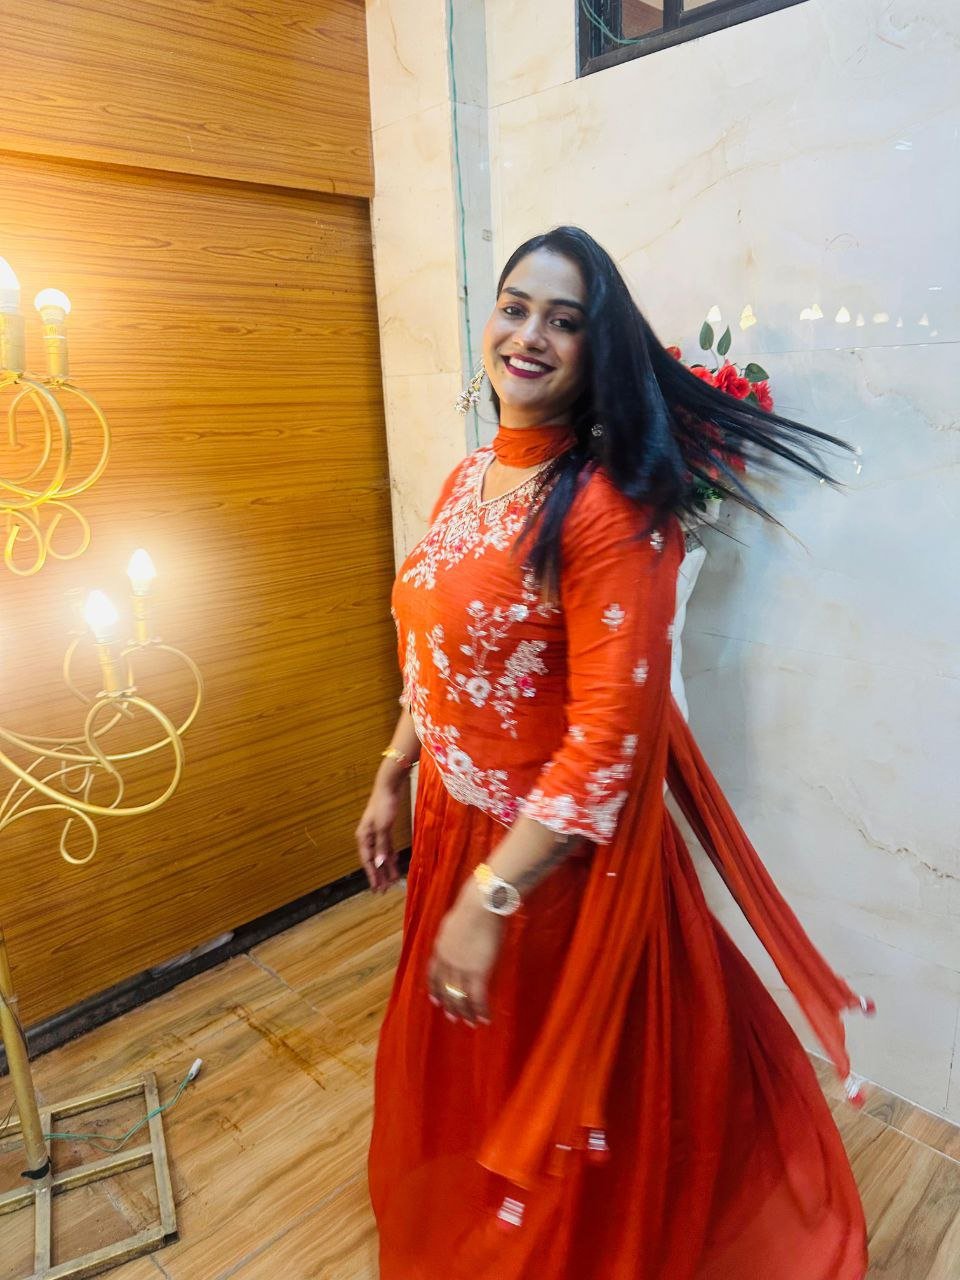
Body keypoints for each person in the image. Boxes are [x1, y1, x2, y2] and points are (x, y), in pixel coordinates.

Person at [358, 226, 870, 1279]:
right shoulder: (467, 478)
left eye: (564, 320)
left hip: (552, 871)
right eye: (515, 307)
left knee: (582, 1097)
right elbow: (436, 650)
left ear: (600, 350)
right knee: (487, 1070)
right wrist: (394, 768)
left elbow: (606, 743)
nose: (528, 334)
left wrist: (492, 896)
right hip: (456, 831)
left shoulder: (608, 510)